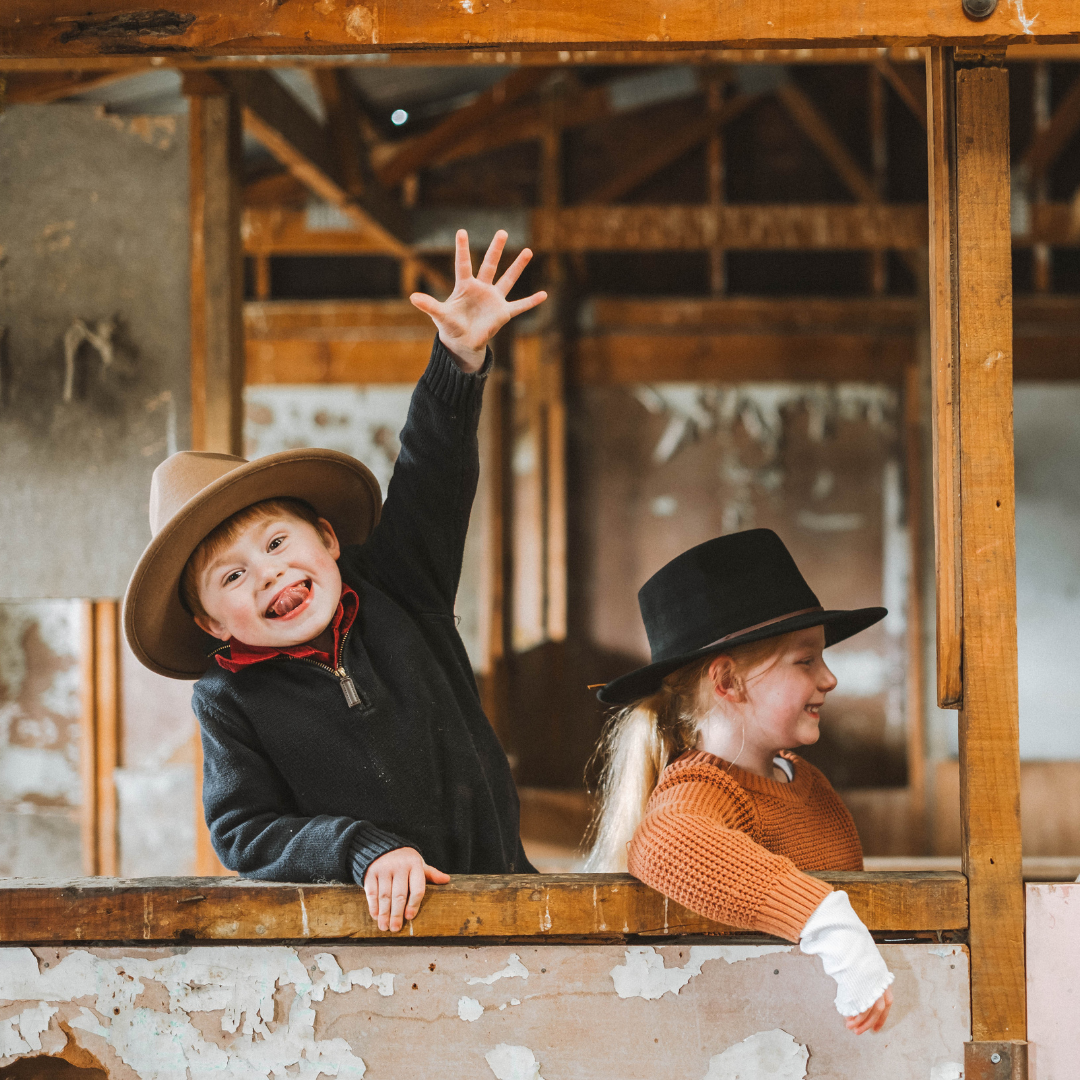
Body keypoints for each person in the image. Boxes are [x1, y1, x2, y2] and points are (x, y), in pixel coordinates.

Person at [123, 230, 545, 933]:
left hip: (504, 893)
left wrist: (458, 357)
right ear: (211, 624)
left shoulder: (402, 589)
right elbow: (246, 832)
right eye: (233, 575)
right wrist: (359, 849)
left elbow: (430, 475)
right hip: (364, 939)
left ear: (327, 539)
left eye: (279, 541)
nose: (271, 573)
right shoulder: (228, 698)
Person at [587, 529, 895, 1035]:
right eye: (805, 661)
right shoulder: (706, 786)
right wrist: (829, 925)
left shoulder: (809, 784)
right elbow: (665, 844)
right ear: (727, 682)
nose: (829, 678)